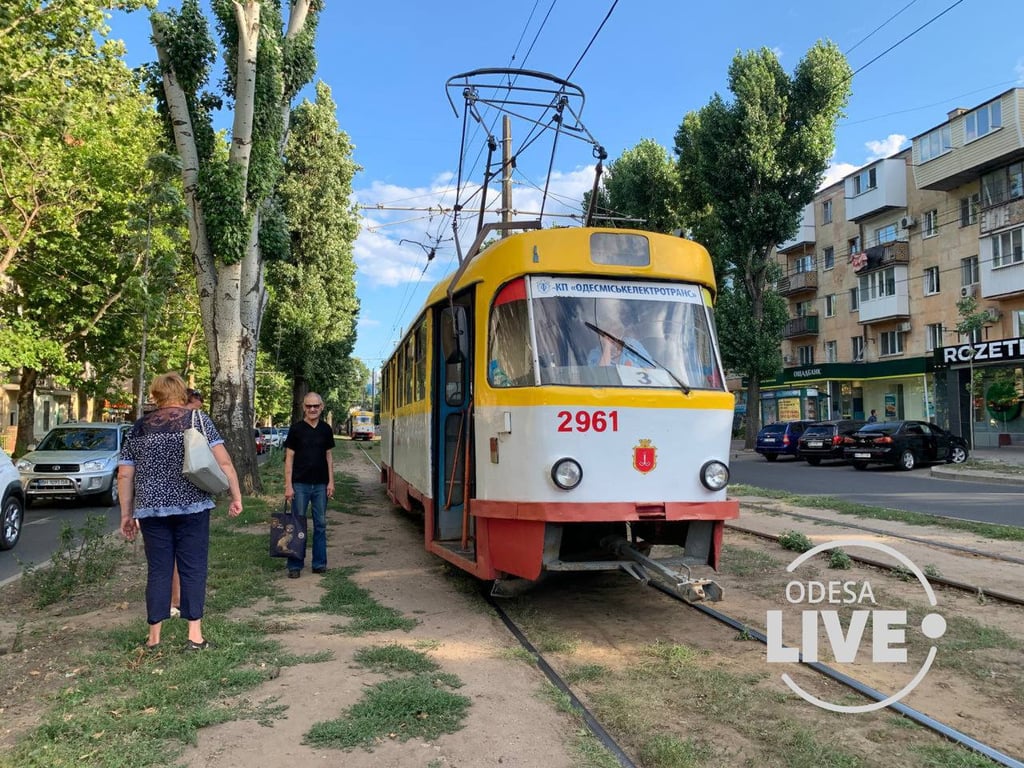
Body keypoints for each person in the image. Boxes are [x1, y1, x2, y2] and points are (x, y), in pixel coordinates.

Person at [118, 373, 243, 651]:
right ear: (183, 394)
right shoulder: (197, 421)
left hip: (150, 511)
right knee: (193, 567)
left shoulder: (138, 428)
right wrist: (235, 495)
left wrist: (126, 514)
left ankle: (154, 638)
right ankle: (194, 636)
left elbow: (125, 475)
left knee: (159, 570)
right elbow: (224, 462)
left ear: (155, 395)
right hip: (194, 506)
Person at [283, 392, 335, 578]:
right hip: (300, 485)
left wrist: (331, 481)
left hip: (321, 485)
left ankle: (319, 563)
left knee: (320, 524)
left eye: (316, 406)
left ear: (321, 407)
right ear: (303, 407)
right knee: (298, 525)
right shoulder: (296, 429)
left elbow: (329, 456)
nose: (312, 409)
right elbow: (289, 458)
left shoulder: (326, 430)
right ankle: (295, 565)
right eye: (308, 406)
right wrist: (288, 486)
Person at [587, 321, 652, 368]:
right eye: (609, 334)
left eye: (618, 331)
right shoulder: (595, 354)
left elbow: (651, 368)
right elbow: (602, 375)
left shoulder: (632, 344)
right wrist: (607, 346)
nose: (615, 337)